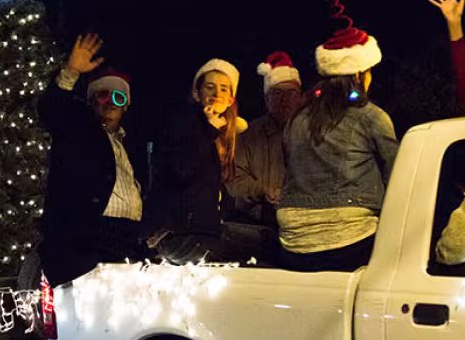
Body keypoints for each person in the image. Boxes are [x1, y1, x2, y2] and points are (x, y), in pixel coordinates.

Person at [277, 0, 399, 272]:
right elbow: (400, 176)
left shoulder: (296, 117)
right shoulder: (371, 116)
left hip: (291, 241)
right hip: (350, 240)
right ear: (360, 72)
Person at [37, 34, 147, 286]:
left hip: (127, 240)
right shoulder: (78, 128)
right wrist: (72, 71)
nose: (109, 104)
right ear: (91, 100)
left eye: (118, 99)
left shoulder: (129, 146)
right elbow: (52, 110)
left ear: (126, 107)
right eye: (102, 96)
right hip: (91, 240)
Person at [145, 57, 250, 263]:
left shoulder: (220, 134)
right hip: (180, 236)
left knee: (266, 237)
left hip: (204, 231)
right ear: (196, 93)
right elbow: (183, 170)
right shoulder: (183, 126)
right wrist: (209, 130)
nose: (216, 94)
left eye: (223, 89)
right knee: (263, 249)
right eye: (209, 87)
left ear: (230, 99)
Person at [230, 50, 302, 227]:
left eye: (291, 92)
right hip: (259, 223)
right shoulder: (249, 136)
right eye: (277, 92)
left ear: (300, 96)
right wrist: (261, 190)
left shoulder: (313, 132)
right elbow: (234, 179)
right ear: (266, 98)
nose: (284, 99)